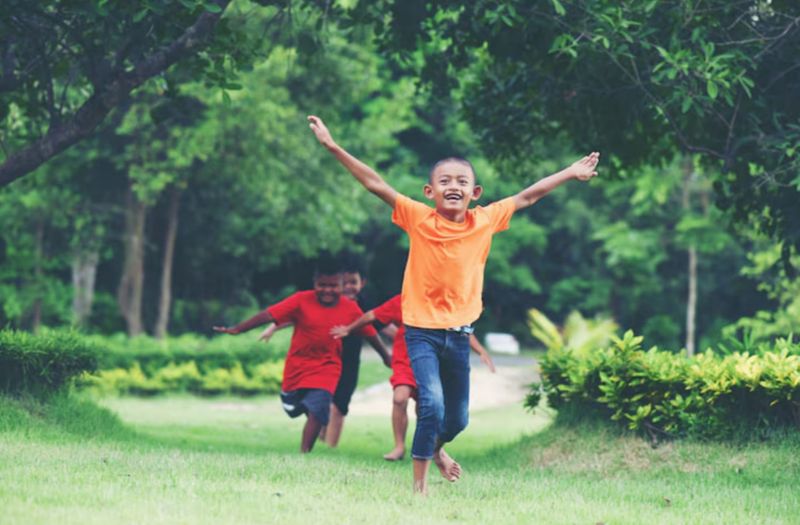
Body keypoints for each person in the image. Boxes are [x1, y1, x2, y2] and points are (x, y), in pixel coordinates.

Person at [307, 114, 599, 493]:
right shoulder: (418, 218)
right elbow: (375, 183)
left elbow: (529, 195)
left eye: (462, 181)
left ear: (475, 192)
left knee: (457, 419)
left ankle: (437, 448)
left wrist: (569, 172)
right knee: (431, 405)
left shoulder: (485, 220)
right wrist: (333, 147)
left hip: (459, 336)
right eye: (444, 181)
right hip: (421, 332)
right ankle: (420, 488)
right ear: (430, 191)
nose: (453, 187)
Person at [213, 262, 391, 453]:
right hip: (297, 367)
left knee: (319, 404)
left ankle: (304, 452)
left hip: (328, 366)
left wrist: (385, 356)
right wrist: (239, 329)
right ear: (314, 283)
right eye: (322, 285)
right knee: (294, 408)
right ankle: (306, 411)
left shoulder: (350, 309)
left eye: (333, 286)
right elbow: (269, 314)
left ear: (341, 285)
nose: (327, 290)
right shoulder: (301, 300)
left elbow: (370, 334)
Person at [331, 294, 495, 461]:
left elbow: (462, 329)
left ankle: (424, 448)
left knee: (426, 408)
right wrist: (348, 329)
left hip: (432, 364)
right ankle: (399, 446)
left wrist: (480, 350)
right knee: (400, 397)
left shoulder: (445, 300)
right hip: (405, 362)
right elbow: (372, 315)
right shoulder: (407, 299)